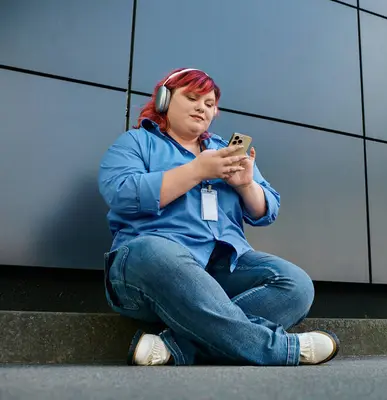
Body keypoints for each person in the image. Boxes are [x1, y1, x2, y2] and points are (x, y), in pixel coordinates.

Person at [97, 67, 340, 366]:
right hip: (150, 271)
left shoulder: (225, 150)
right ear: (163, 100)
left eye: (210, 104)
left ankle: (178, 346)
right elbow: (121, 193)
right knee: (154, 251)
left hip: (220, 272)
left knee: (296, 284)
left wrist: (246, 185)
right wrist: (197, 171)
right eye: (193, 98)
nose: (203, 107)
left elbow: (268, 210)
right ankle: (282, 350)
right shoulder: (136, 142)